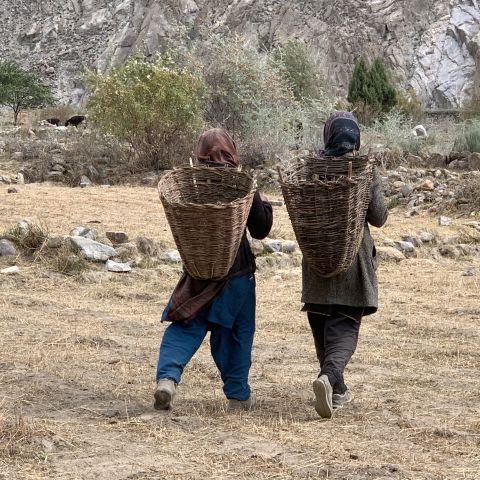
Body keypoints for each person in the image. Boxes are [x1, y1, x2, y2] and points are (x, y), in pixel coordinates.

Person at [154, 128, 273, 411]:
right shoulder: (242, 185)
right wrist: (261, 201)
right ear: (232, 152)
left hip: (198, 272)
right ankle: (238, 395)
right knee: (236, 334)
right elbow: (261, 229)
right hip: (237, 275)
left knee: (186, 324)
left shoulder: (190, 183)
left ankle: (167, 378)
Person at [302, 111, 388, 419]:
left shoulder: (311, 169)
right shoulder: (363, 169)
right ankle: (328, 379)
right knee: (345, 327)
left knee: (324, 328)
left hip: (316, 264)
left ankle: (337, 391)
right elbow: (378, 217)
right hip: (351, 264)